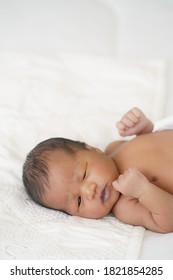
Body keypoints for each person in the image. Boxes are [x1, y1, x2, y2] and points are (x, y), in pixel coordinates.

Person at [22, 107, 173, 233]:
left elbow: (154, 144)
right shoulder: (125, 206)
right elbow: (167, 221)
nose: (89, 191)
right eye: (79, 201)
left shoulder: (115, 146)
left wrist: (145, 129)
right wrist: (144, 191)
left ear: (93, 149)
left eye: (84, 175)